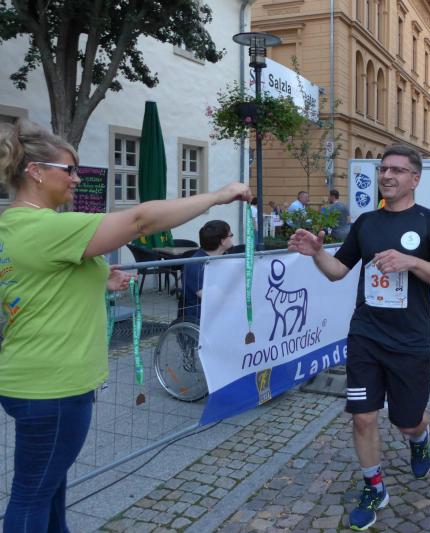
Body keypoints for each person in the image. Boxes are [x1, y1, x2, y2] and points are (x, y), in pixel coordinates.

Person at [0, 119, 251, 532]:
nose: (77, 178)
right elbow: (139, 222)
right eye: (69, 170)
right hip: (54, 386)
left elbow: (37, 284)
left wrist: (100, 280)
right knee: (32, 496)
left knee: (48, 488)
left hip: (27, 377)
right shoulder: (47, 227)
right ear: (36, 171)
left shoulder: (13, 226)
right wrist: (219, 195)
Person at [288, 144, 430, 531]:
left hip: (410, 338)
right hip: (366, 334)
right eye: (383, 169)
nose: (387, 175)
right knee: (363, 418)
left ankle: (419, 438)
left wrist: (411, 261)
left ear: (415, 179)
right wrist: (317, 253)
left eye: (397, 170)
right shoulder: (366, 222)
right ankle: (374, 487)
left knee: (407, 421)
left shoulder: (429, 222)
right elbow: (338, 271)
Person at [181, 220, 234, 321]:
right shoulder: (195, 265)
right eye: (230, 235)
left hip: (219, 313)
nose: (232, 239)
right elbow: (212, 297)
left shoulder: (222, 258)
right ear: (222, 241)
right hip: (202, 318)